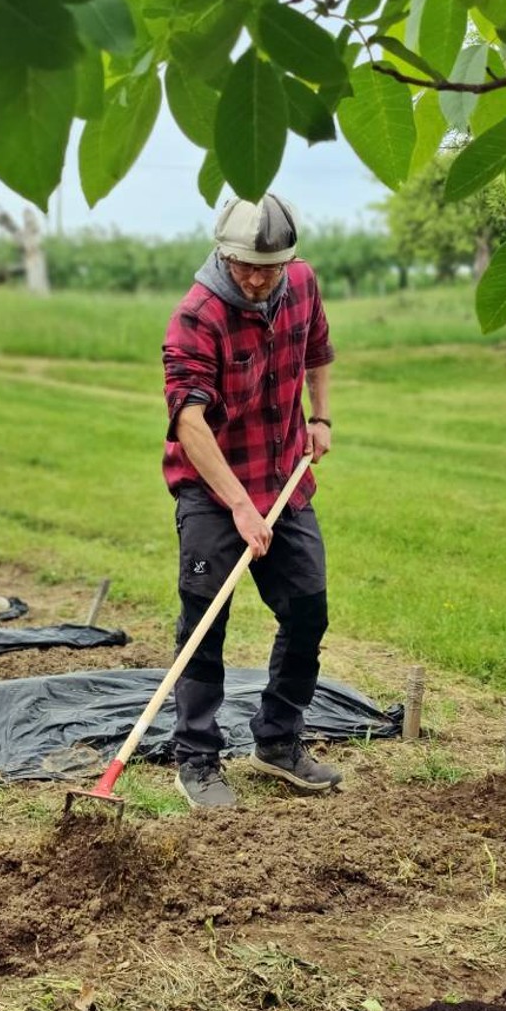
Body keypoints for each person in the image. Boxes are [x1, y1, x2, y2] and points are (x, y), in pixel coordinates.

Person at [162, 192, 341, 808]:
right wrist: (238, 504)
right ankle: (197, 759)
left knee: (308, 610)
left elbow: (317, 351)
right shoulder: (197, 314)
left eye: (271, 266)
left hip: (284, 476)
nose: (259, 278)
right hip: (214, 489)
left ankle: (278, 741)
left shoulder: (302, 284)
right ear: (224, 252)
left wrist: (321, 418)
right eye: (246, 265)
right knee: (205, 620)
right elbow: (189, 421)